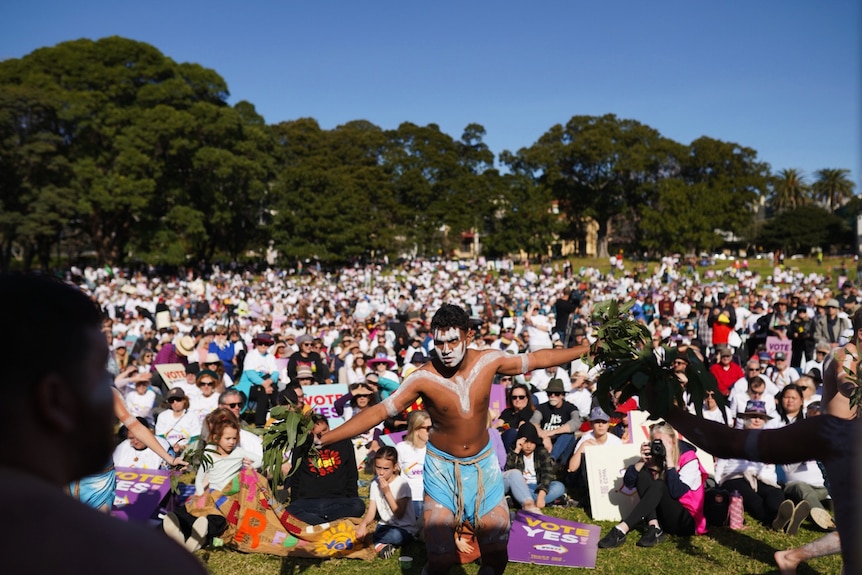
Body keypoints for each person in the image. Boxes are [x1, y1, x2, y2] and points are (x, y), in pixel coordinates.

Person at [318, 303, 593, 575]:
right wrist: (326, 438)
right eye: (439, 343)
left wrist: (587, 350)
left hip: (483, 467)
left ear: (468, 336)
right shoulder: (423, 377)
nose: (446, 350)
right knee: (440, 557)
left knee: (497, 553)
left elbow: (537, 359)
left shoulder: (489, 361)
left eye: (453, 341)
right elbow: (380, 410)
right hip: (442, 469)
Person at [0, 273, 206, 575]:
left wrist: (167, 457)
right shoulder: (147, 560)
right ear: (54, 397)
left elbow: (135, 425)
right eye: (98, 372)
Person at [163, 408, 262, 552]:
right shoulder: (210, 451)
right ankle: (178, 523)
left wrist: (251, 467)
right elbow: (202, 475)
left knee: (217, 519)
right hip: (210, 492)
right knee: (191, 509)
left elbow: (259, 461)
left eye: (234, 438)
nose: (231, 442)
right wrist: (199, 492)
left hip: (228, 495)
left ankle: (202, 532)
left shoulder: (239, 450)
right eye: (228, 439)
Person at [597, 421, 707, 549]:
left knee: (659, 484)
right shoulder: (656, 455)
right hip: (663, 518)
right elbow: (629, 484)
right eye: (655, 442)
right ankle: (654, 527)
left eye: (662, 443)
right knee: (642, 475)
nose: (659, 446)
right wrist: (641, 461)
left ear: (672, 441)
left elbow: (677, 491)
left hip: (686, 520)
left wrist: (670, 462)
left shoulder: (689, 458)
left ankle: (622, 529)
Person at [287, 413, 366, 525]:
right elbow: (296, 477)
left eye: (325, 430)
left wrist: (352, 498)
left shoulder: (343, 442)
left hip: (338, 501)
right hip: (309, 502)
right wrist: (295, 502)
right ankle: (329, 523)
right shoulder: (302, 447)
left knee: (358, 506)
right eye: (318, 434)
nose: (324, 435)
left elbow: (351, 474)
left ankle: (320, 523)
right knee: (290, 510)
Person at [356, 446, 419, 559]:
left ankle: (375, 542)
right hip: (385, 525)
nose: (381, 472)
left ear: (395, 467)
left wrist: (387, 492)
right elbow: (371, 511)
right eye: (378, 467)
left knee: (394, 536)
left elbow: (399, 514)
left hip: (404, 529)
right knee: (363, 531)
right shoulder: (375, 483)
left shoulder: (402, 484)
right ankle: (380, 545)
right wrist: (363, 524)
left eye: (386, 469)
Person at [503, 422, 566, 512]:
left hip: (538, 487)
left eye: (532, 442)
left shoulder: (541, 452)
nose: (528, 446)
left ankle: (521, 502)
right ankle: (547, 502)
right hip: (522, 487)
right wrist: (516, 450)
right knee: (515, 490)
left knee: (559, 486)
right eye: (525, 442)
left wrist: (541, 496)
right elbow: (509, 472)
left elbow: (547, 474)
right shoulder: (515, 453)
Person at [530, 378, 581, 465]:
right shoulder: (541, 408)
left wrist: (552, 432)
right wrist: (544, 436)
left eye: (556, 394)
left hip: (563, 445)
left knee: (568, 434)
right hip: (545, 444)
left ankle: (552, 459)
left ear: (562, 395)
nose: (553, 396)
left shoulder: (571, 408)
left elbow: (576, 423)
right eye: (550, 393)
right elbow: (533, 422)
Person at [396, 410, 431, 521]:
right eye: (427, 428)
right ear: (416, 429)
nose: (431, 431)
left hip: (431, 498)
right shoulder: (402, 448)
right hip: (410, 497)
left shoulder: (435, 449)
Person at [495, 382, 534, 452]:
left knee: (511, 432)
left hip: (515, 443)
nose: (517, 400)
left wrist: (503, 430)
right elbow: (498, 425)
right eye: (514, 397)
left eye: (521, 397)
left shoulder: (528, 412)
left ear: (527, 398)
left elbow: (520, 429)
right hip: (500, 439)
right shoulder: (507, 412)